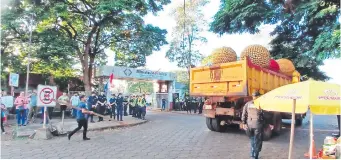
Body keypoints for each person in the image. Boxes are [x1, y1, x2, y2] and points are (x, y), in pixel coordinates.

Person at [241, 91, 264, 159]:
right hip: (257, 125)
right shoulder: (260, 104)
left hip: (249, 125)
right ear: (258, 97)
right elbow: (265, 115)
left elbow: (244, 114)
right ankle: (255, 155)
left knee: (252, 139)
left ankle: (252, 154)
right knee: (258, 140)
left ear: (253, 96)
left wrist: (244, 123)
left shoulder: (247, 104)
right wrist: (268, 123)